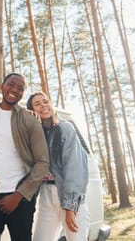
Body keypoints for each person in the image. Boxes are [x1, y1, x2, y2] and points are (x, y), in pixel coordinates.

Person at [0, 73, 49, 241]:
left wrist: (18, 195)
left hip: (21, 200)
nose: (14, 90)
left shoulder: (29, 120)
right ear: (2, 86)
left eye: (20, 88)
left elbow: (43, 162)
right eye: (11, 84)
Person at [26, 91, 90, 241]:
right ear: (32, 110)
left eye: (45, 101)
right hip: (46, 196)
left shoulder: (64, 128)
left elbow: (74, 169)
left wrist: (69, 206)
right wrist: (26, 117)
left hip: (69, 195)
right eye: (37, 104)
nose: (43, 106)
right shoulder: (35, 133)